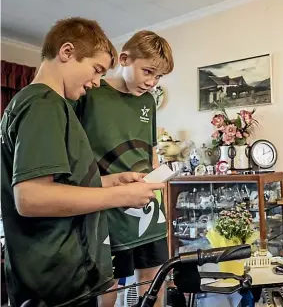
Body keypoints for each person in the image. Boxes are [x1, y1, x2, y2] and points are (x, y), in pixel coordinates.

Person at [0, 18, 165, 307]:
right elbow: (30, 197)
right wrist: (119, 195)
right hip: (55, 277)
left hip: (59, 272)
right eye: (96, 69)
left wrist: (109, 181)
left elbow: (60, 184)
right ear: (66, 52)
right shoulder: (43, 104)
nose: (97, 81)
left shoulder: (49, 104)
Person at [74, 30, 174, 307]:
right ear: (124, 58)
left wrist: (158, 177)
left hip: (147, 207)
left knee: (154, 281)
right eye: (148, 72)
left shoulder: (147, 101)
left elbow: (150, 150)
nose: (152, 82)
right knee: (109, 286)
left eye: (159, 77)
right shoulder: (90, 92)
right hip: (107, 204)